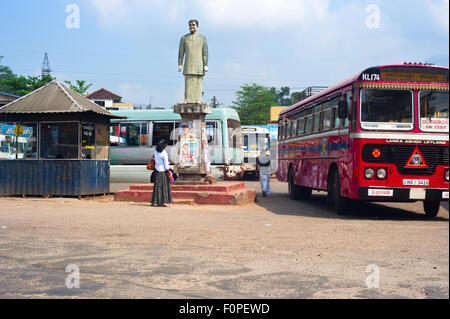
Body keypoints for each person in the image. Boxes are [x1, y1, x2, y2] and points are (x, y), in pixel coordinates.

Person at [178, 19, 208, 103]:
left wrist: (205, 64)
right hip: (188, 63)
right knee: (188, 81)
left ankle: (198, 99)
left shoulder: (202, 38)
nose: (191, 26)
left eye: (193, 25)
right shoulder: (184, 38)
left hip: (199, 64)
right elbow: (181, 52)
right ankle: (187, 99)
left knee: (198, 82)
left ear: (197, 27)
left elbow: (205, 52)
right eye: (190, 25)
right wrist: (180, 64)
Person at [151, 139, 172, 207]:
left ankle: (155, 201)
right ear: (164, 145)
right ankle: (161, 202)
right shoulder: (164, 153)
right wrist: (169, 174)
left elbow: (154, 157)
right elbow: (166, 166)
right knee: (163, 187)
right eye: (166, 144)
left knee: (157, 187)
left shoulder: (156, 151)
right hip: (163, 172)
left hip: (157, 170)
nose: (166, 146)